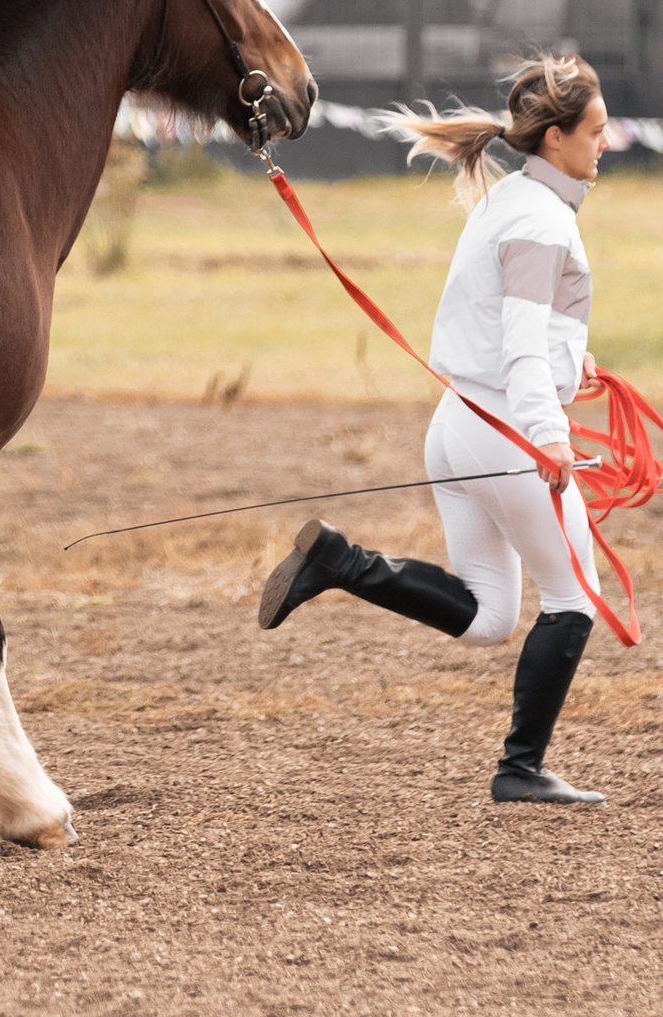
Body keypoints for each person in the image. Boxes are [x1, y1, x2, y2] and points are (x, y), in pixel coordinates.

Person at [257, 54, 615, 805]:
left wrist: (570, 366)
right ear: (555, 139)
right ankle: (520, 769)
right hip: (506, 429)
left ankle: (339, 562)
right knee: (575, 596)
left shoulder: (511, 198)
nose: (604, 144)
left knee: (489, 616)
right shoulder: (544, 219)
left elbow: (514, 327)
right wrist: (549, 432)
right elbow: (518, 340)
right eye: (595, 130)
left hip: (459, 424)